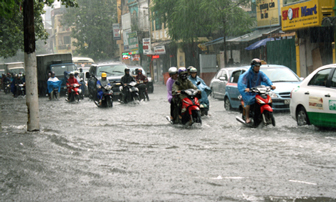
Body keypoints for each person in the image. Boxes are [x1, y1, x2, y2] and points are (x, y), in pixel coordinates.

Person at [237, 58, 276, 124]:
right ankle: (247, 118)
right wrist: (245, 88)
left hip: (257, 91)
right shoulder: (247, 74)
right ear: (252, 66)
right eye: (256, 66)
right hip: (249, 93)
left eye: (258, 66)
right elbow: (242, 82)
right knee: (249, 102)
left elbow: (266, 79)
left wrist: (271, 85)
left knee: (267, 98)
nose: (257, 68)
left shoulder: (260, 73)